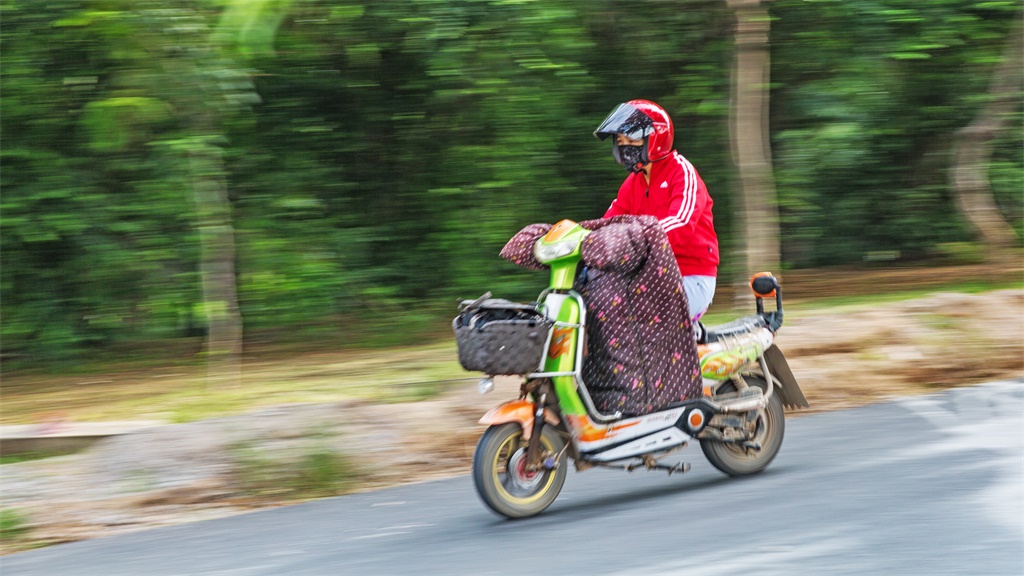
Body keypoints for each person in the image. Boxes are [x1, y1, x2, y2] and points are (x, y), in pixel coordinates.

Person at [593, 99, 720, 320]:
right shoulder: (632, 183)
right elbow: (608, 223)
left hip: (690, 276)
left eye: (631, 139)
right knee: (592, 303)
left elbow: (680, 222)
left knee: (632, 313)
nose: (625, 147)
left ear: (655, 138)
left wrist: (634, 238)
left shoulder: (682, 172)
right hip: (648, 277)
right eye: (620, 141)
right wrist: (583, 240)